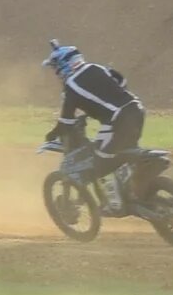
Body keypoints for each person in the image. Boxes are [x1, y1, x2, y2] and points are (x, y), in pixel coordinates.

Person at [43, 42, 145, 205]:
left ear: (63, 66)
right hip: (137, 109)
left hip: (117, 120)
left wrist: (51, 135)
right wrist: (101, 105)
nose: (56, 74)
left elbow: (66, 121)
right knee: (124, 152)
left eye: (55, 69)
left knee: (99, 162)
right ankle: (132, 190)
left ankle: (115, 201)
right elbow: (121, 81)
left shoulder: (71, 86)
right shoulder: (96, 68)